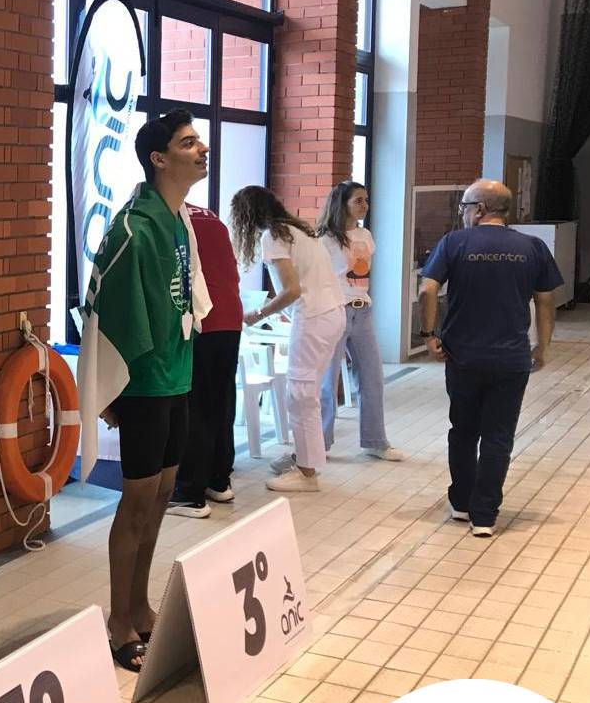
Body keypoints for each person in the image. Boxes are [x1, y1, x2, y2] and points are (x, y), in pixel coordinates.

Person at [89, 108, 211, 670]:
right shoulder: (135, 228)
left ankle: (139, 605)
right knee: (136, 502)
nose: (202, 149)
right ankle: (118, 620)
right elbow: (103, 307)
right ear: (159, 159)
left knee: (162, 496)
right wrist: (110, 392)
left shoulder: (179, 219)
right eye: (189, 143)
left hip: (176, 373)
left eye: (199, 140)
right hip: (144, 383)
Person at [419, 179, 561, 538]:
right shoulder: (532, 246)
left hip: (462, 357)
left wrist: (429, 335)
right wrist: (542, 346)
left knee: (463, 431)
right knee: (499, 436)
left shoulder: (454, 243)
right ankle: (484, 516)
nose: (463, 214)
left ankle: (461, 503)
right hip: (511, 359)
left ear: (480, 209)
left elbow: (427, 289)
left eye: (465, 207)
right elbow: (546, 301)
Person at [231, 185, 345, 493]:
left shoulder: (274, 236)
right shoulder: (300, 231)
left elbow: (292, 290)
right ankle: (305, 458)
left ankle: (306, 473)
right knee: (307, 391)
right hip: (333, 312)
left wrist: (258, 314)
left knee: (299, 394)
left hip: (314, 316)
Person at [315, 180, 405, 462]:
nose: (365, 205)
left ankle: (375, 441)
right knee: (328, 380)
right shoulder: (325, 239)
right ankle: (319, 443)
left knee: (372, 377)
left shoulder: (365, 235)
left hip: (362, 310)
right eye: (358, 200)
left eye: (366, 200)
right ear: (342, 204)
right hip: (336, 309)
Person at [166, 202, 243, 518]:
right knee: (221, 402)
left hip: (201, 320)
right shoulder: (210, 217)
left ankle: (188, 494)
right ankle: (218, 481)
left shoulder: (170, 219)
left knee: (195, 407)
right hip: (230, 318)